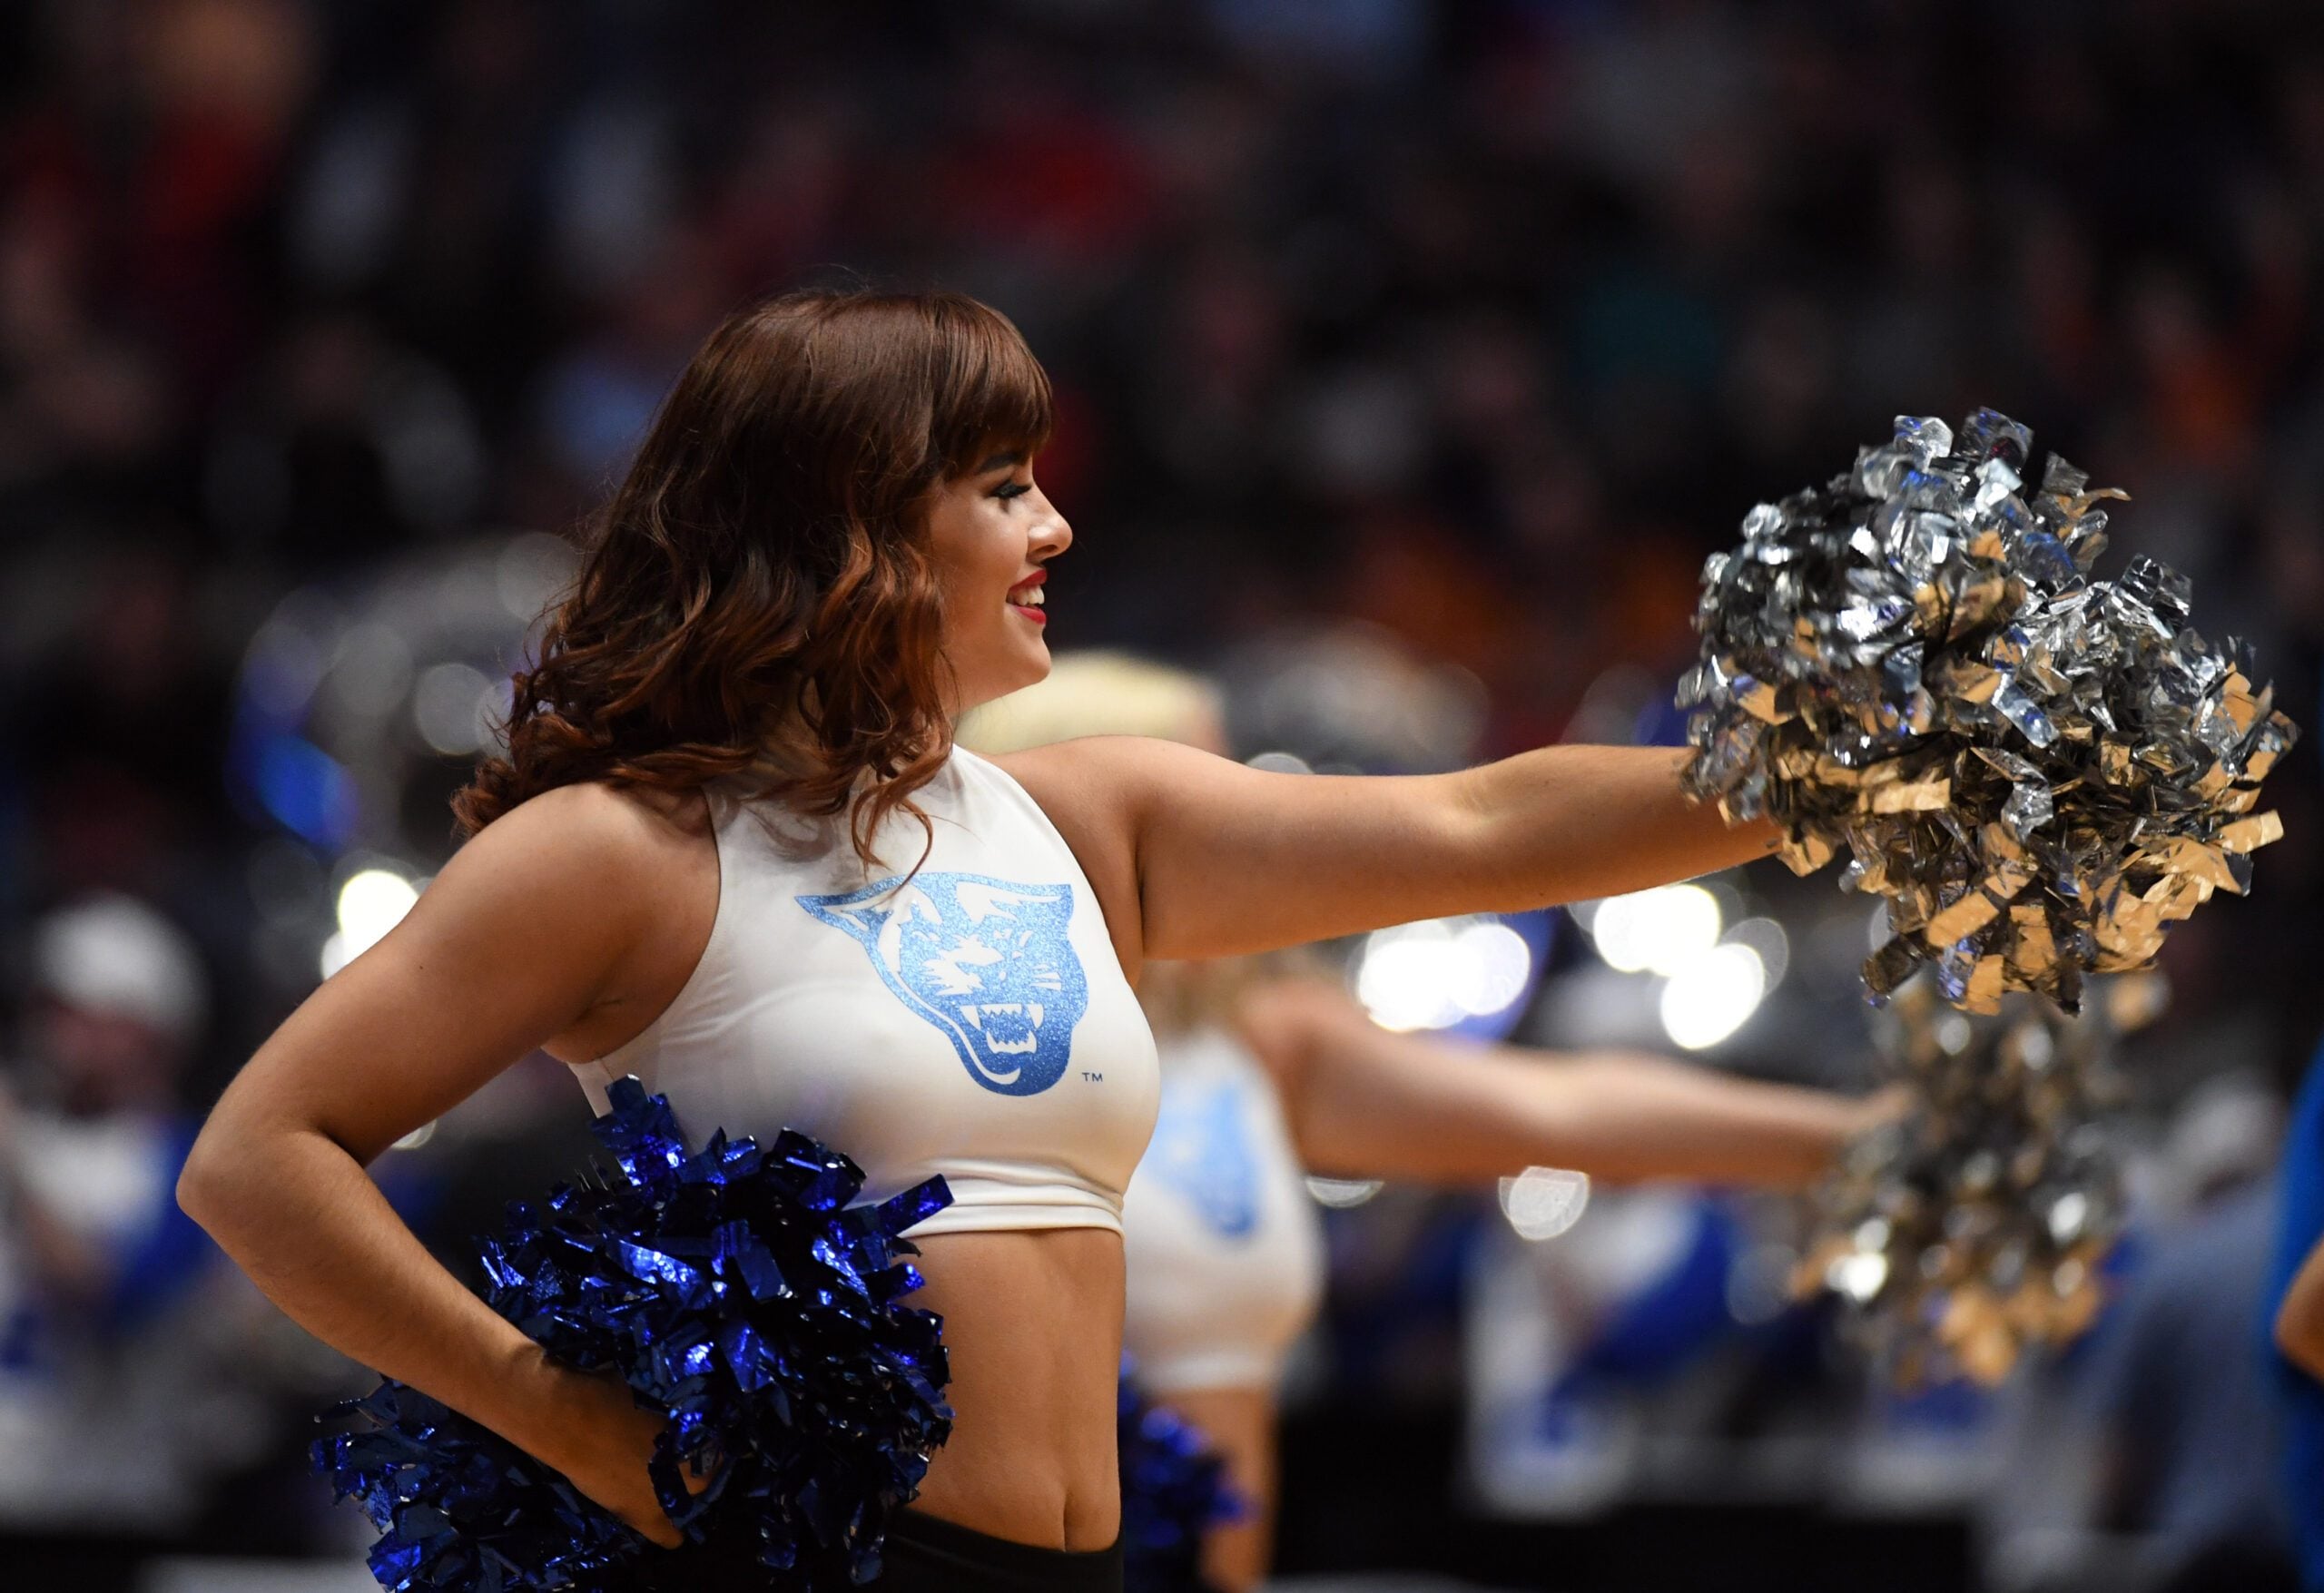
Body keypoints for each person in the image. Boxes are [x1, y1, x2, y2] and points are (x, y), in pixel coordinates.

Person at [177, 288, 1787, 1593]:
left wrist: (1866, 770)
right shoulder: (624, 854)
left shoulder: (1088, 822)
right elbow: (259, 1158)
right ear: (854, 527)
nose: (1060, 528)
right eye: (1005, 487)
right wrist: (569, 1424)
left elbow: (1488, 826)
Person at [963, 653, 1886, 1593]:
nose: (1235, 820)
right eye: (1191, 795)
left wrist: (1875, 1144)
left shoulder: (1264, 1043)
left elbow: (1561, 1111)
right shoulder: (962, 1072)